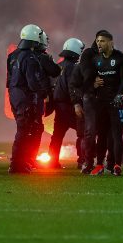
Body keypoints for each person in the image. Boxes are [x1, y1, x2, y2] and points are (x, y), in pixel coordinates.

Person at [79, 30, 123, 176]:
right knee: (100, 135)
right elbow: (89, 79)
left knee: (116, 135)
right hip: (100, 103)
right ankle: (99, 164)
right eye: (98, 41)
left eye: (103, 41)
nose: (99, 44)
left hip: (116, 103)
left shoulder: (120, 58)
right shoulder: (95, 60)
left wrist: (119, 95)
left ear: (110, 42)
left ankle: (117, 165)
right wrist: (93, 84)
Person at [7, 24, 46, 174]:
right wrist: (42, 93)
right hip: (25, 97)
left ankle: (19, 163)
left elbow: (9, 79)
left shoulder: (13, 55)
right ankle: (17, 164)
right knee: (24, 131)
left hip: (14, 95)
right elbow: (33, 82)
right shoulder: (30, 57)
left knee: (22, 129)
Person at [46, 38, 85, 169]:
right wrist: (78, 103)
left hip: (58, 106)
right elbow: (73, 87)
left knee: (57, 135)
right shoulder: (74, 68)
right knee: (83, 133)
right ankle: (82, 160)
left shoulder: (58, 66)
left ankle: (52, 161)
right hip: (70, 105)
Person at [31, 30, 61, 168]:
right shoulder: (43, 58)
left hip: (21, 97)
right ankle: (29, 158)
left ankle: (23, 157)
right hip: (37, 97)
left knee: (25, 128)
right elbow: (55, 71)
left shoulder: (17, 56)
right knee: (36, 128)